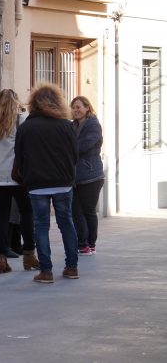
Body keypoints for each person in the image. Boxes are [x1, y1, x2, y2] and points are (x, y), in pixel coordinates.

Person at [14, 84, 79, 283]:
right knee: (66, 222)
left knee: (41, 225)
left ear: (33, 103)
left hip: (37, 184)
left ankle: (46, 271)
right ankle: (71, 267)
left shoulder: (26, 127)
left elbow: (19, 157)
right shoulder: (66, 126)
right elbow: (74, 155)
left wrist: (27, 177)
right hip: (63, 182)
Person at [0, 89, 39, 273]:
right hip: (15, 175)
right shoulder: (20, 119)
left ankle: (1, 258)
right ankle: (29, 254)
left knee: (2, 216)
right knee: (26, 212)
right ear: (16, 102)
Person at [70, 96, 105, 255]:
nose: (76, 110)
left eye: (79, 107)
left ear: (87, 108)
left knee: (88, 210)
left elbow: (83, 146)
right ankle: (82, 244)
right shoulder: (72, 126)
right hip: (74, 176)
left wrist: (66, 150)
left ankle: (91, 243)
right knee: (75, 211)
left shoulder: (93, 125)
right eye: (73, 107)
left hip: (91, 175)